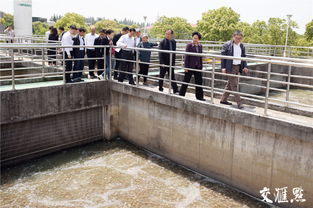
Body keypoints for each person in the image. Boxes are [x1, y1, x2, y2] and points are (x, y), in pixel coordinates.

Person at [220, 30, 249, 109]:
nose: (238, 40)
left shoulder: (242, 46)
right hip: (230, 67)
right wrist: (223, 68)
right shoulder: (227, 45)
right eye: (237, 38)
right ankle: (239, 103)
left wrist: (245, 66)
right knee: (234, 85)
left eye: (240, 38)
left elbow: (243, 57)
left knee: (230, 85)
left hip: (238, 67)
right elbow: (223, 57)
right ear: (233, 37)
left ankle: (223, 99)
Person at [179, 32, 205, 101]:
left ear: (199, 39)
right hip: (190, 66)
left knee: (199, 82)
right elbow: (186, 56)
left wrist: (201, 66)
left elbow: (200, 57)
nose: (195, 39)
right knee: (186, 80)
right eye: (194, 38)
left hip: (198, 66)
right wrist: (185, 67)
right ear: (192, 38)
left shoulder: (200, 46)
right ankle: (181, 94)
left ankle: (199, 97)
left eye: (196, 38)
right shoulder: (189, 45)